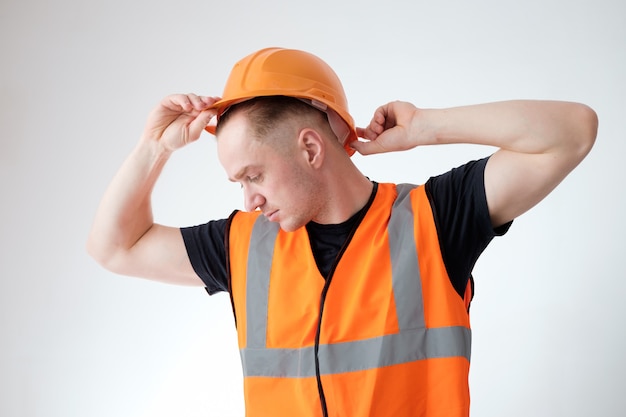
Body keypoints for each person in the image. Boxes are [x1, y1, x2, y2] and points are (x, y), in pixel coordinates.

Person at [86, 47, 598, 417]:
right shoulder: (241, 246)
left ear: (311, 149)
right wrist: (153, 148)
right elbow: (113, 247)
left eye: (253, 175)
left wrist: (426, 127)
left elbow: (572, 133)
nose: (248, 199)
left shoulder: (433, 219)